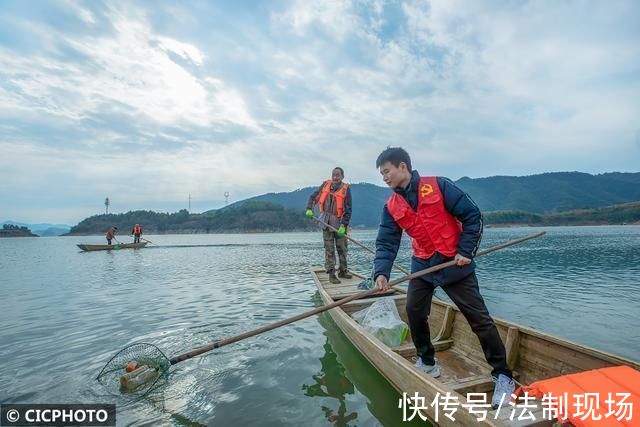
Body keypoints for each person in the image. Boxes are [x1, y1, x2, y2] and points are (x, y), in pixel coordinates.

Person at [373, 147, 514, 409]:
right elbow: (386, 242)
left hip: (454, 263)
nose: (385, 178)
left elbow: (473, 216)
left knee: (479, 319)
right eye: (381, 174)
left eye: (387, 171)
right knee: (414, 310)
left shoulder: (438, 186)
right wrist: (381, 273)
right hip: (423, 263)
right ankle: (428, 361)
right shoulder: (391, 206)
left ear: (403, 166)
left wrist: (465, 251)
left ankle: (503, 376)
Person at [306, 167, 353, 284]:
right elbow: (312, 197)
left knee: (342, 248)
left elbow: (348, 209)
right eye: (333, 175)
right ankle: (331, 274)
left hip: (340, 223)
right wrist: (309, 209)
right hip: (325, 222)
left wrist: (344, 225)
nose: (335, 177)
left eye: (337, 175)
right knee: (329, 249)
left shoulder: (346, 189)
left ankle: (343, 270)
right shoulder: (325, 185)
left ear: (342, 176)